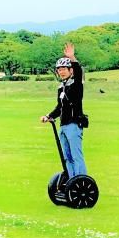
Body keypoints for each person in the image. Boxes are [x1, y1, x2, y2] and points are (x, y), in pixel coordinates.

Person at [40, 43, 87, 178]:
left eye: (64, 69)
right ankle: (72, 181)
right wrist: (48, 116)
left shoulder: (77, 84)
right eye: (59, 69)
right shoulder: (61, 87)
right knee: (67, 156)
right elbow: (59, 107)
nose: (61, 71)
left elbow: (79, 73)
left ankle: (81, 181)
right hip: (63, 125)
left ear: (70, 70)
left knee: (76, 155)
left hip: (74, 124)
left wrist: (72, 58)